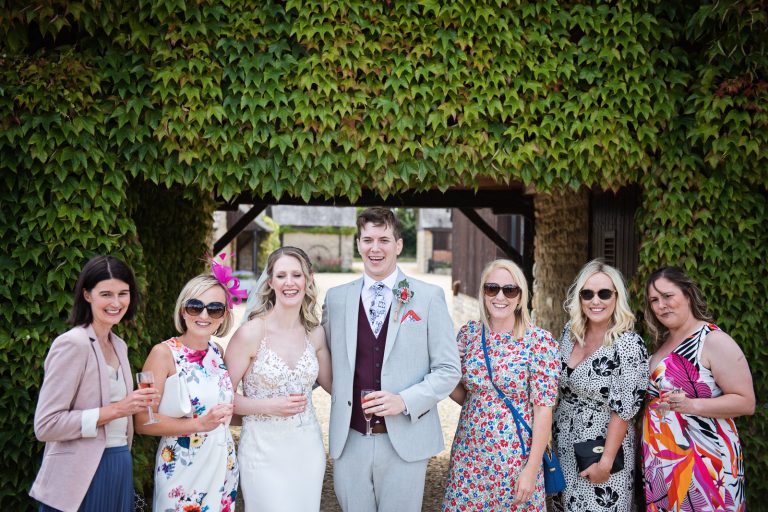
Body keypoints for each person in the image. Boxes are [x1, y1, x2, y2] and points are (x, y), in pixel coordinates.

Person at [322, 207, 461, 512]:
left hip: (406, 438)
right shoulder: (335, 299)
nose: (375, 248)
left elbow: (449, 369)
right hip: (350, 437)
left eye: (384, 239)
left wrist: (405, 400)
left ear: (398, 245)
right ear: (359, 243)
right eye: (367, 239)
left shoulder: (427, 296)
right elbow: (324, 359)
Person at [30, 255, 159, 512]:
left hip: (119, 463)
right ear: (87, 295)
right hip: (80, 475)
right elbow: (46, 426)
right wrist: (118, 409)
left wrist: (135, 406)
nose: (116, 302)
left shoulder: (119, 345)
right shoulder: (73, 344)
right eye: (106, 294)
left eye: (123, 293)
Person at [442, 259, 560, 511]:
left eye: (510, 290)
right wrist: (449, 366)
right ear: (483, 293)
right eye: (492, 288)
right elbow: (467, 396)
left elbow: (543, 410)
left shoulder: (538, 342)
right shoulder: (469, 335)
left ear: (520, 297)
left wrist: (531, 469)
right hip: (469, 456)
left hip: (515, 460)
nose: (500, 296)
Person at [224, 246, 332, 512]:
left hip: (308, 448)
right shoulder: (250, 333)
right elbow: (222, 397)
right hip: (262, 451)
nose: (289, 283)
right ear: (270, 282)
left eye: (297, 275)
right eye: (281, 276)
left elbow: (338, 388)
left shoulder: (315, 334)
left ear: (308, 279)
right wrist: (268, 407)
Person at [642, 267, 754, 511]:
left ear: (688, 294)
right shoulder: (662, 344)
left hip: (707, 466)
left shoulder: (712, 340)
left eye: (668, 296)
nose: (661, 305)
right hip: (664, 465)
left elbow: (746, 402)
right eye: (654, 300)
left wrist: (692, 405)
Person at [137, 270, 240, 512]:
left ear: (224, 315)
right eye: (195, 306)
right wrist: (198, 425)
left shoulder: (218, 353)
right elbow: (142, 421)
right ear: (183, 310)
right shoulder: (161, 354)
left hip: (221, 464)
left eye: (214, 309)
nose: (204, 315)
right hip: (182, 470)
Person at [551, 260, 648, 511]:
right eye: (588, 294)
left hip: (601, 450)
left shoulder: (627, 344)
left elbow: (625, 409)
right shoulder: (569, 333)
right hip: (564, 444)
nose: (596, 301)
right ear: (579, 298)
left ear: (617, 297)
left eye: (604, 293)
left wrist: (605, 463)